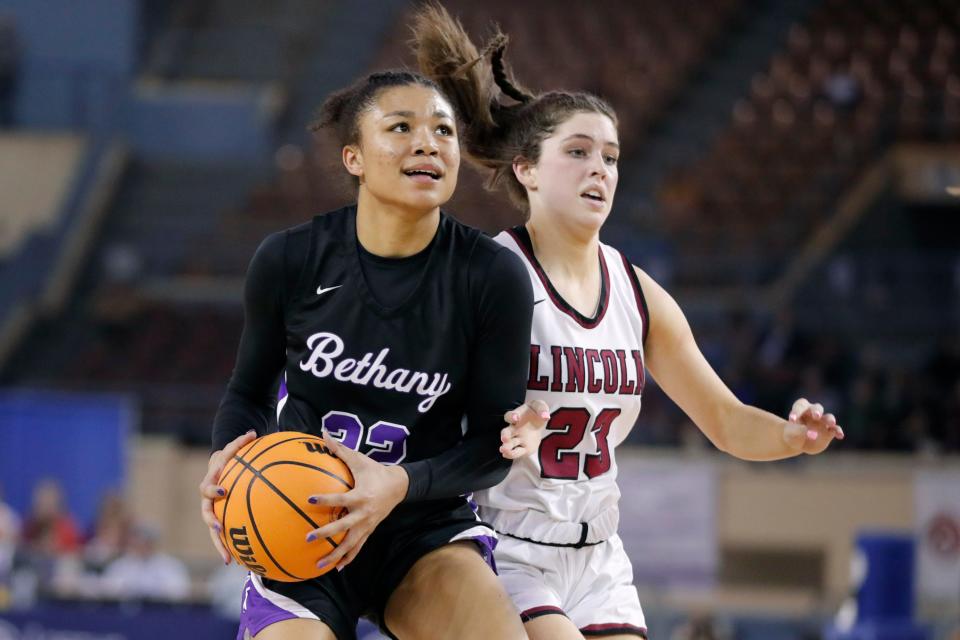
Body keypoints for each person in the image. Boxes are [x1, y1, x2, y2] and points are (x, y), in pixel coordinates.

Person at [411, 6, 846, 639]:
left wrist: (790, 437)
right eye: (579, 152)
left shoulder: (637, 293)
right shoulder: (484, 276)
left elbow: (724, 422)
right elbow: (414, 402)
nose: (600, 170)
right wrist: (492, 430)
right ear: (525, 170)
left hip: (600, 556)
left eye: (611, 157)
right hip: (503, 545)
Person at [198, 68, 545, 640]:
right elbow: (248, 393)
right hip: (301, 515)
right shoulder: (290, 259)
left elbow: (493, 446)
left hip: (422, 529)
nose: (427, 142)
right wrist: (225, 457)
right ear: (353, 157)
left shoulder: (492, 275)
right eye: (401, 127)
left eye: (443, 130)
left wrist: (399, 484)